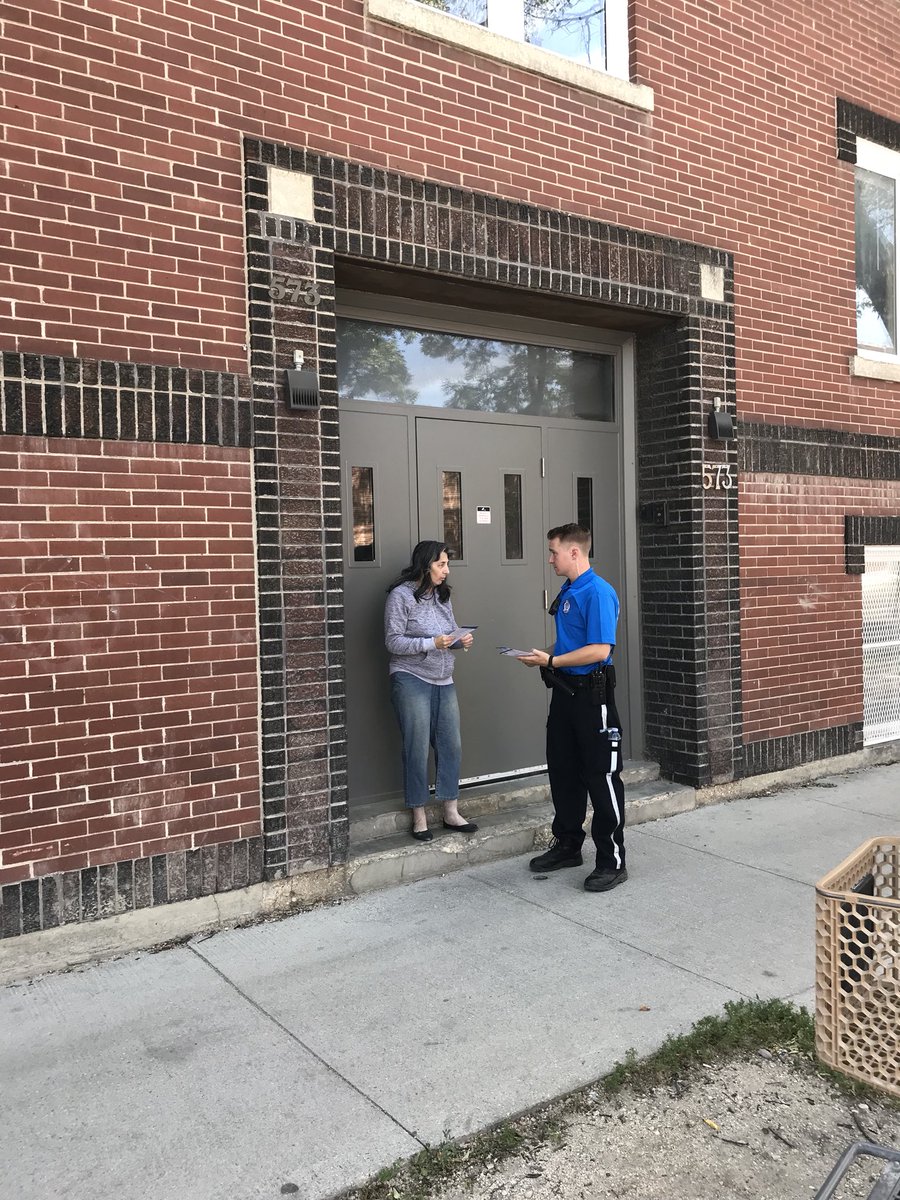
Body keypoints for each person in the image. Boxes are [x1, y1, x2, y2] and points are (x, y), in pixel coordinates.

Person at [517, 523, 627, 892]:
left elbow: (599, 650)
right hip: (565, 696)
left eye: (554, 552)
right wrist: (545, 655)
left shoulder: (597, 592)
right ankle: (567, 845)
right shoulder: (570, 590)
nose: (550, 559)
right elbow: (570, 643)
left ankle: (611, 861)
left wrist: (550, 662)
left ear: (575, 552)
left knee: (601, 776)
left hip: (592, 699)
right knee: (563, 772)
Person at [384, 540, 477, 842]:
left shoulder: (442, 596)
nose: (446, 570)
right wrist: (431, 643)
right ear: (425, 565)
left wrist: (459, 641)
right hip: (411, 678)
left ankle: (451, 811)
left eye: (447, 564)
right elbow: (393, 641)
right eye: (441, 564)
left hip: (444, 678)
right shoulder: (400, 597)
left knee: (451, 746)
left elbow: (447, 633)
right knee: (416, 746)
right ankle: (419, 814)